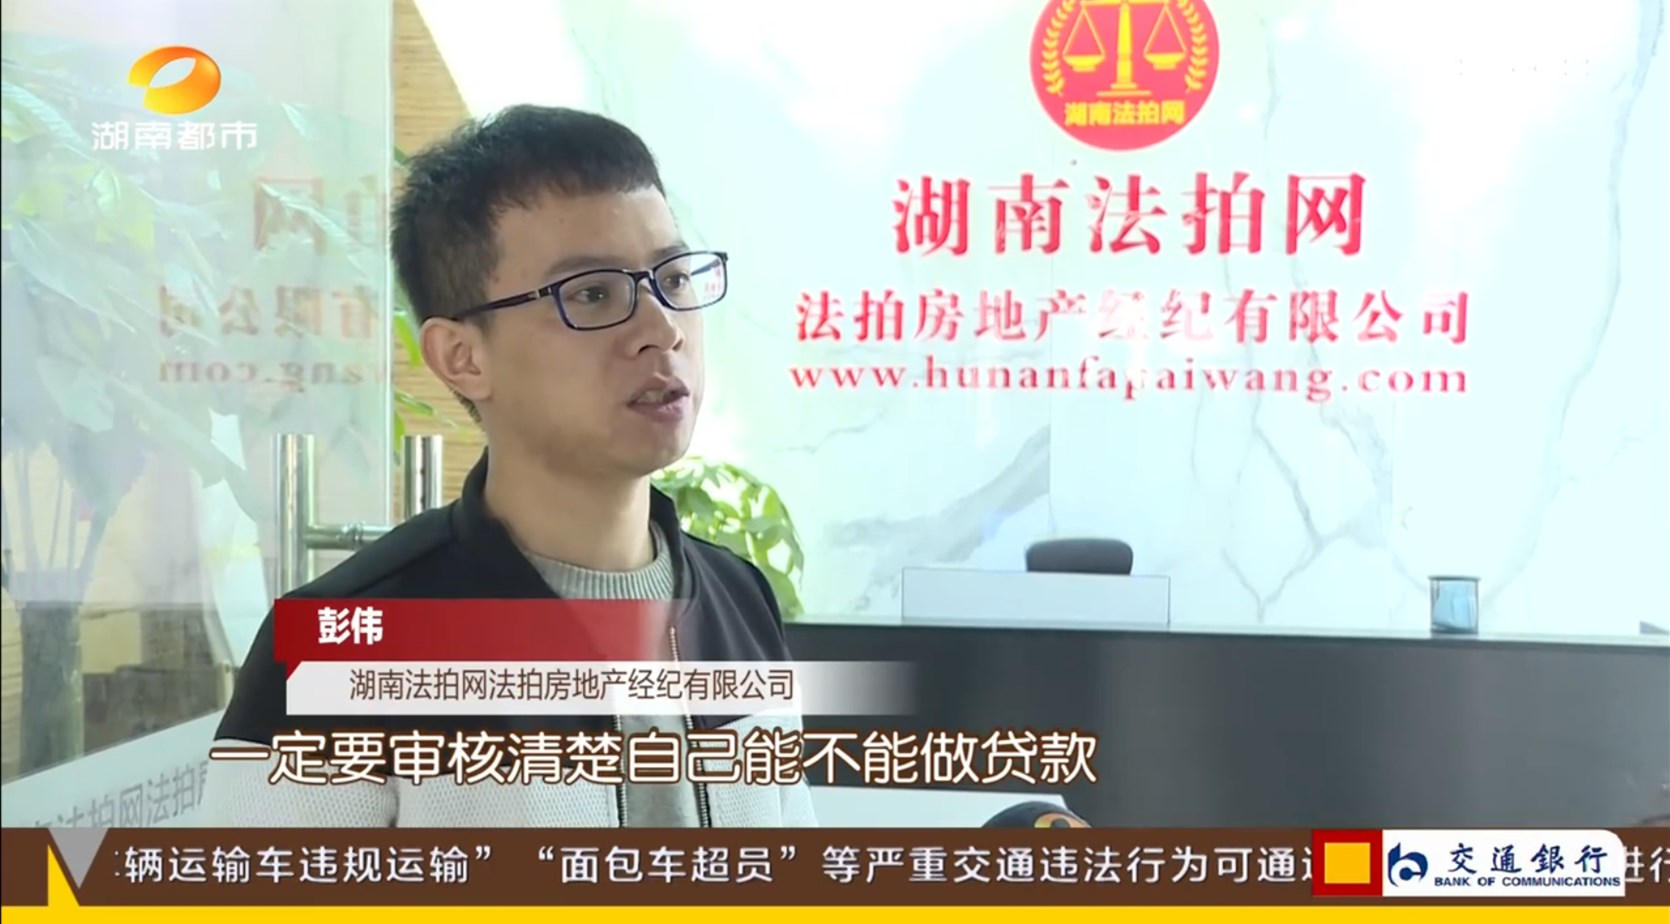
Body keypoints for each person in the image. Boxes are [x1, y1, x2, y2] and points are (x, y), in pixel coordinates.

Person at [200, 105, 817, 827]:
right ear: (462, 357)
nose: (663, 330)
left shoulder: (739, 600)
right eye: (592, 294)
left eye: (673, 278)